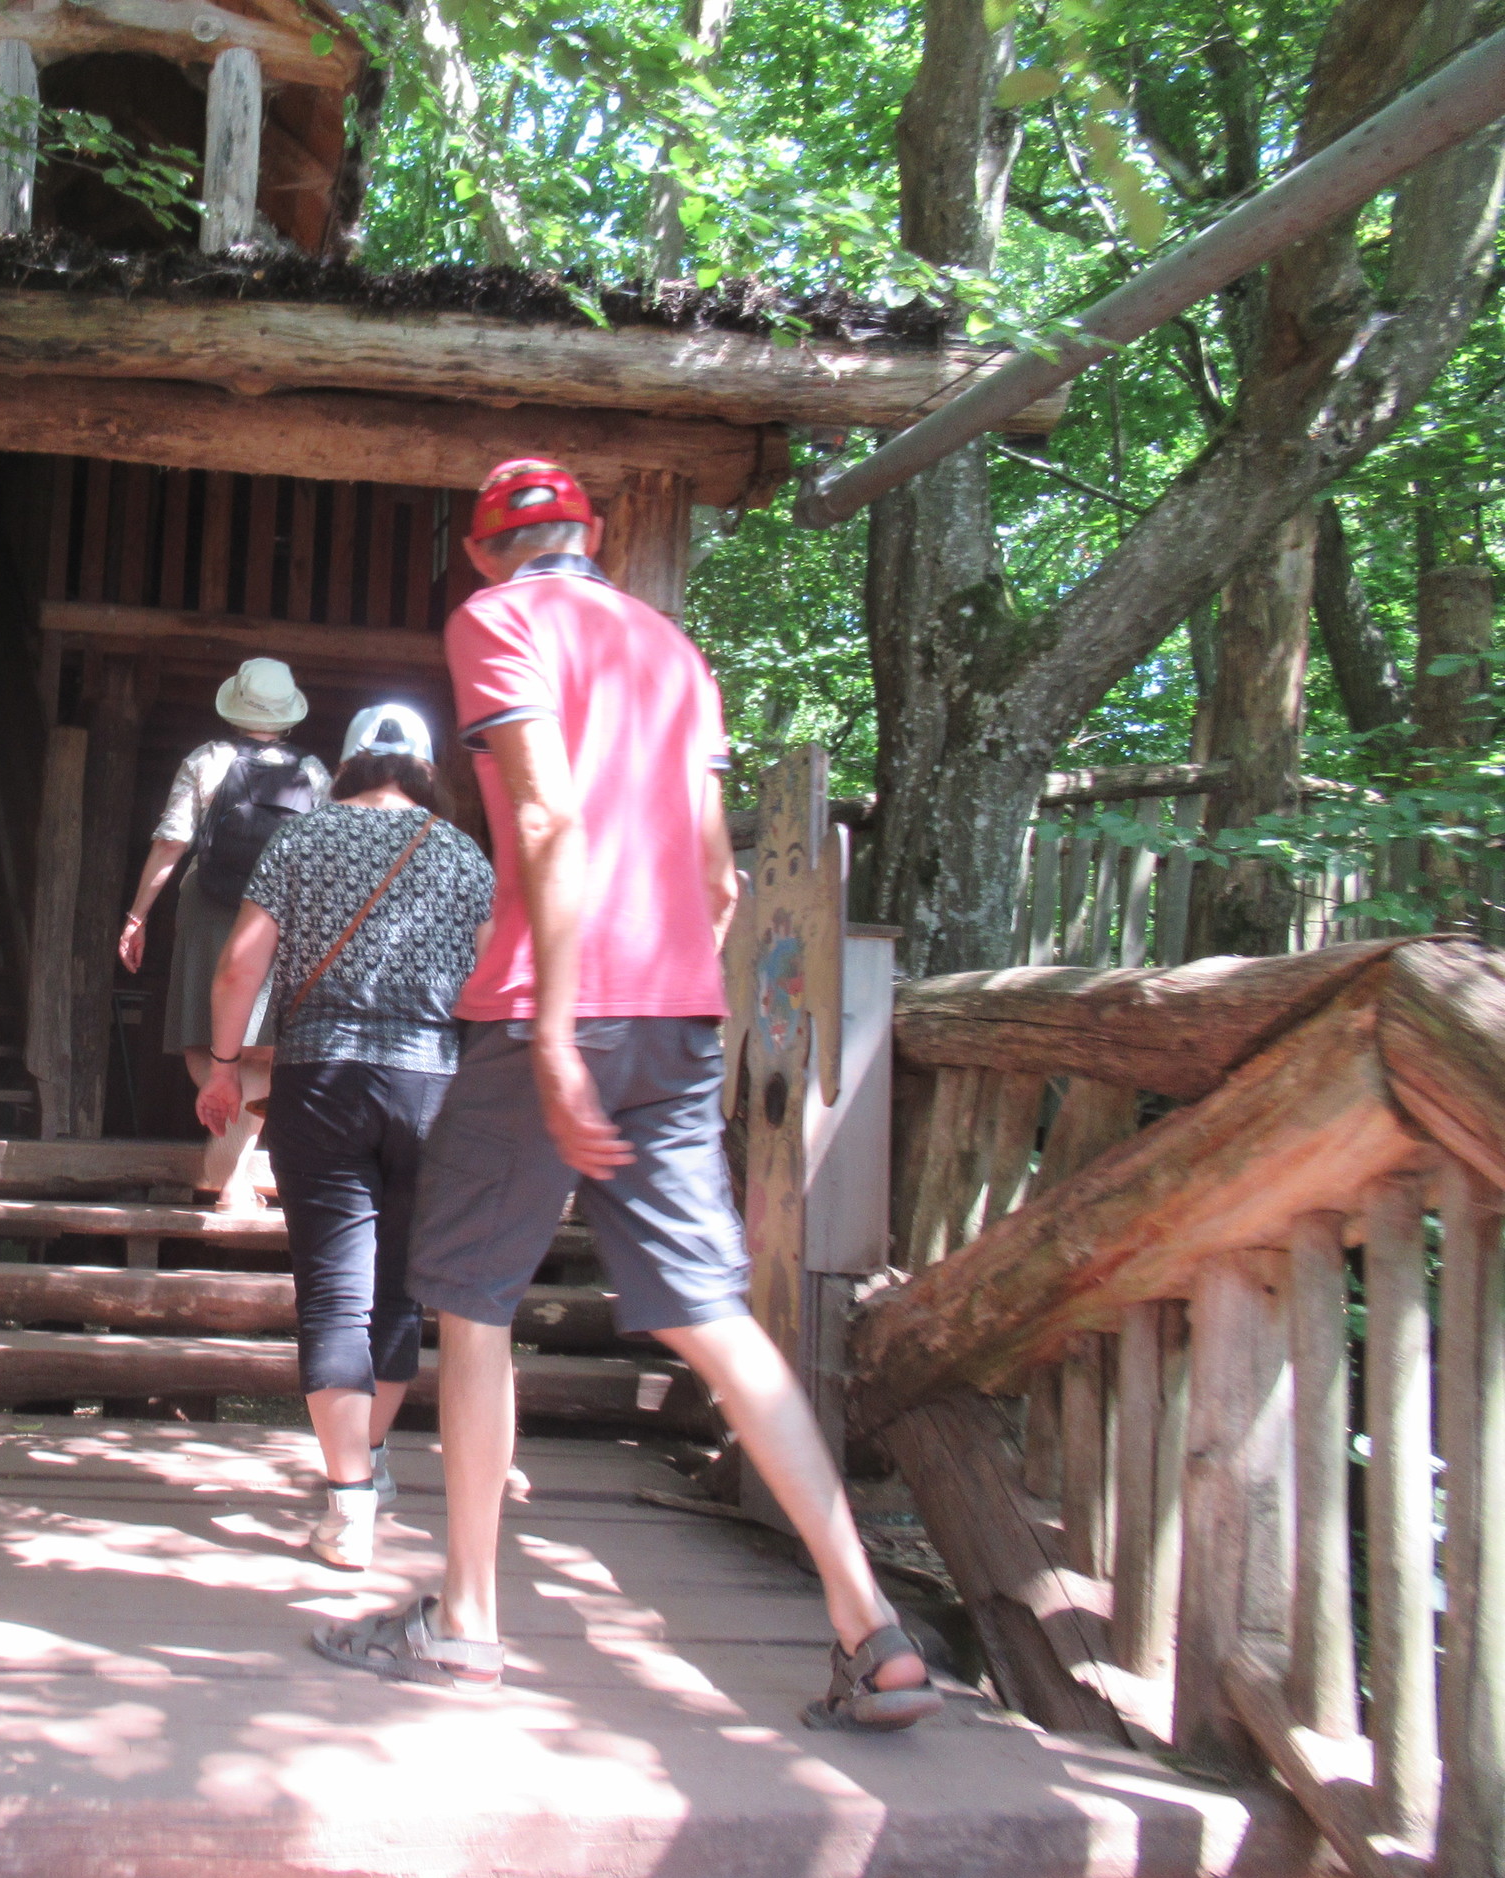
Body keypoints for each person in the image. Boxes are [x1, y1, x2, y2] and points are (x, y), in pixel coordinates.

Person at [312, 458, 939, 1731]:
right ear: (592, 532)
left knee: (473, 1306)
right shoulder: (676, 653)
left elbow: (546, 818)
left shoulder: (497, 619)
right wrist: (677, 997)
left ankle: (465, 1625)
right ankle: (871, 1624)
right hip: (677, 1012)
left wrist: (555, 1026)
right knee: (713, 1314)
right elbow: (717, 876)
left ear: (482, 551)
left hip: (549, 1003)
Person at [195, 705, 495, 1571]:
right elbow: (492, 987)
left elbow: (239, 965)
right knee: (399, 1294)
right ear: (427, 768)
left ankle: (350, 1502)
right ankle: (370, 1465)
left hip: (321, 1080)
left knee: (333, 1296)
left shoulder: (302, 840)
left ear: (349, 762)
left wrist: (223, 1066)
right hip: (432, 1086)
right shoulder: (462, 855)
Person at [121, 658, 330, 1213]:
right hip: (281, 914)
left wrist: (137, 915)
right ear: (288, 714)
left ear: (235, 705)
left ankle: (229, 1170)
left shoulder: (206, 760)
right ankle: (233, 1173)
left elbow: (172, 840)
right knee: (262, 1047)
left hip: (209, 907)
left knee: (204, 1039)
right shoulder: (312, 772)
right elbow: (326, 853)